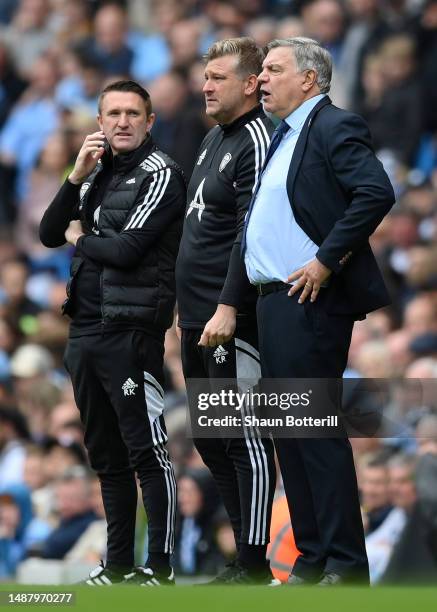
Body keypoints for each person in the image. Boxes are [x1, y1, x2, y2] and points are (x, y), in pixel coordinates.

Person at [243, 37, 395, 585]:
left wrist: (326, 260)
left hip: (308, 297)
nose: (261, 78)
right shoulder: (283, 137)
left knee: (314, 427)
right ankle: (312, 560)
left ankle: (347, 565)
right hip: (274, 302)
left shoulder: (332, 125)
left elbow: (375, 191)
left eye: (273, 69)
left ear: (309, 80)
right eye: (261, 69)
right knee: (290, 431)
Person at [39, 80, 186, 586]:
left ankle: (161, 568)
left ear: (150, 121)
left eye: (132, 113)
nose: (122, 122)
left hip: (131, 330)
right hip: (85, 330)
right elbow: (46, 231)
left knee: (148, 450)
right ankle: (119, 564)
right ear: (99, 122)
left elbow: (127, 250)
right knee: (107, 456)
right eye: (112, 113)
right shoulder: (96, 174)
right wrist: (75, 175)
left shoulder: (162, 171)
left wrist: (80, 236)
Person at [175, 37, 277, 585]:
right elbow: (200, 228)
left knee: (245, 437)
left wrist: (228, 305)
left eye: (217, 76)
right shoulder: (215, 137)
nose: (206, 85)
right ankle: (242, 556)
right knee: (212, 437)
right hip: (196, 317)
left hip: (230, 316)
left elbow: (248, 230)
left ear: (249, 83)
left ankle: (256, 563)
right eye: (204, 76)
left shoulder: (255, 138)